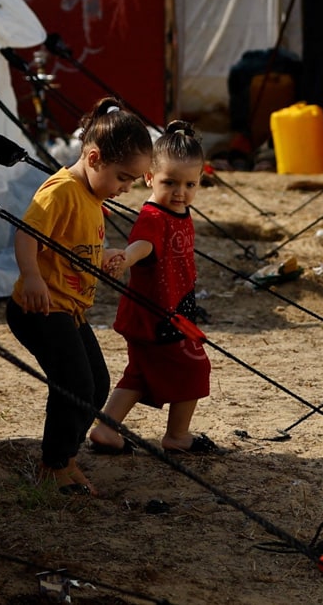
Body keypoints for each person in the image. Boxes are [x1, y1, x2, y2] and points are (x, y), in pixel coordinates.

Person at [5, 96, 153, 497]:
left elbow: (72, 245)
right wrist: (31, 276)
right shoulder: (62, 191)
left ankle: (64, 458)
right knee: (72, 384)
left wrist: (104, 258)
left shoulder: (92, 197)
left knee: (96, 384)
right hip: (40, 308)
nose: (126, 188)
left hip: (70, 310)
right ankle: (53, 465)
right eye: (123, 178)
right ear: (93, 157)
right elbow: (25, 233)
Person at [89, 120, 220, 455]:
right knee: (194, 368)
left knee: (139, 373)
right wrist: (126, 258)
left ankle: (106, 429)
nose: (180, 191)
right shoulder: (153, 216)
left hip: (167, 310)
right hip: (157, 317)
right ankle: (178, 436)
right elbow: (144, 245)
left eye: (190, 184)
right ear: (148, 177)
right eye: (169, 182)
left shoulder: (178, 210)